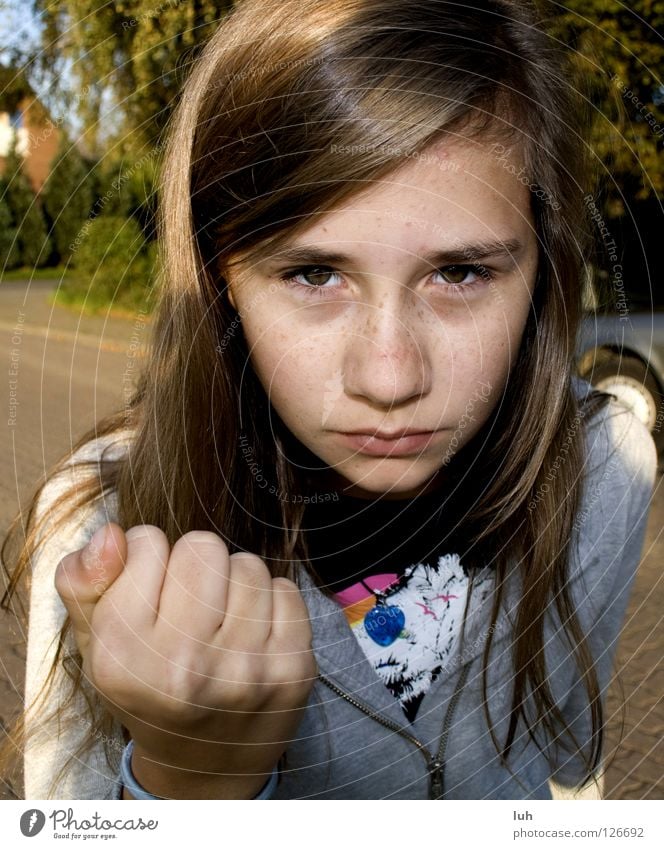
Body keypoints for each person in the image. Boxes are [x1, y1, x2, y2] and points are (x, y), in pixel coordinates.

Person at [1, 0, 658, 801]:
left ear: (543, 268)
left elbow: (562, 759)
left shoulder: (606, 464)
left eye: (461, 273)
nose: (389, 378)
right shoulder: (111, 527)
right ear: (221, 280)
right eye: (313, 273)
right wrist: (194, 779)